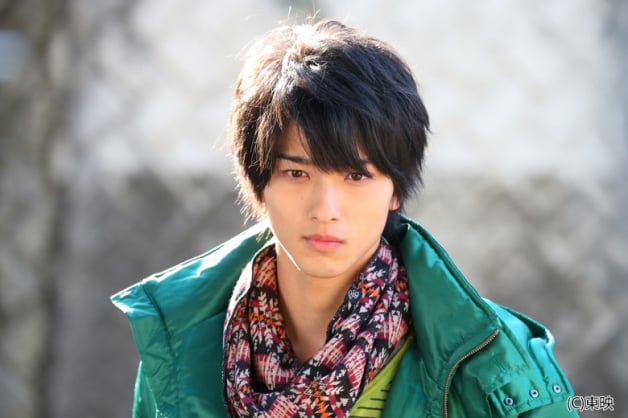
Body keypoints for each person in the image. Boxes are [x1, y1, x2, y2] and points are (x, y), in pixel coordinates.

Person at [111, 19, 578, 418]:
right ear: (259, 181)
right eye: (296, 173)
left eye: (357, 176)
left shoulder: (503, 370)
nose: (325, 209)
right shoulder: (177, 353)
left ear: (396, 189)